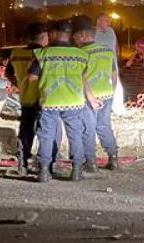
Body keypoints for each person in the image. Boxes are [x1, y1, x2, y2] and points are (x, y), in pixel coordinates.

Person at [27, 20, 99, 183]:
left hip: (49, 101)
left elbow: (32, 77)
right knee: (75, 135)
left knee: (46, 135)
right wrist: (90, 97)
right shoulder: (81, 55)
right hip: (74, 102)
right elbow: (82, 78)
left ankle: (44, 171)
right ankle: (76, 171)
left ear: (54, 33)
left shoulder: (43, 54)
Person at [72, 16, 120, 172]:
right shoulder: (107, 50)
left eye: (75, 37)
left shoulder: (81, 53)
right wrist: (111, 91)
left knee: (88, 128)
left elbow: (82, 77)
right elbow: (114, 73)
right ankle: (113, 158)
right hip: (107, 94)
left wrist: (90, 97)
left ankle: (90, 162)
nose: (75, 41)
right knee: (104, 125)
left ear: (82, 35)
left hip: (89, 97)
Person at [5, 22, 48, 175]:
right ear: (43, 36)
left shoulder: (15, 53)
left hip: (24, 97)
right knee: (45, 130)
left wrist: (18, 84)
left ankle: (22, 162)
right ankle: (43, 163)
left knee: (25, 130)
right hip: (41, 98)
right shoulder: (43, 53)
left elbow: (8, 73)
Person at [94, 13, 126, 115]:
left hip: (111, 61)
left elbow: (115, 46)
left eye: (109, 21)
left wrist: (116, 59)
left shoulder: (111, 31)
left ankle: (117, 107)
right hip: (98, 63)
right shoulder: (92, 31)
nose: (108, 23)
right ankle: (99, 106)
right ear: (98, 21)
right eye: (105, 20)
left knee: (116, 84)